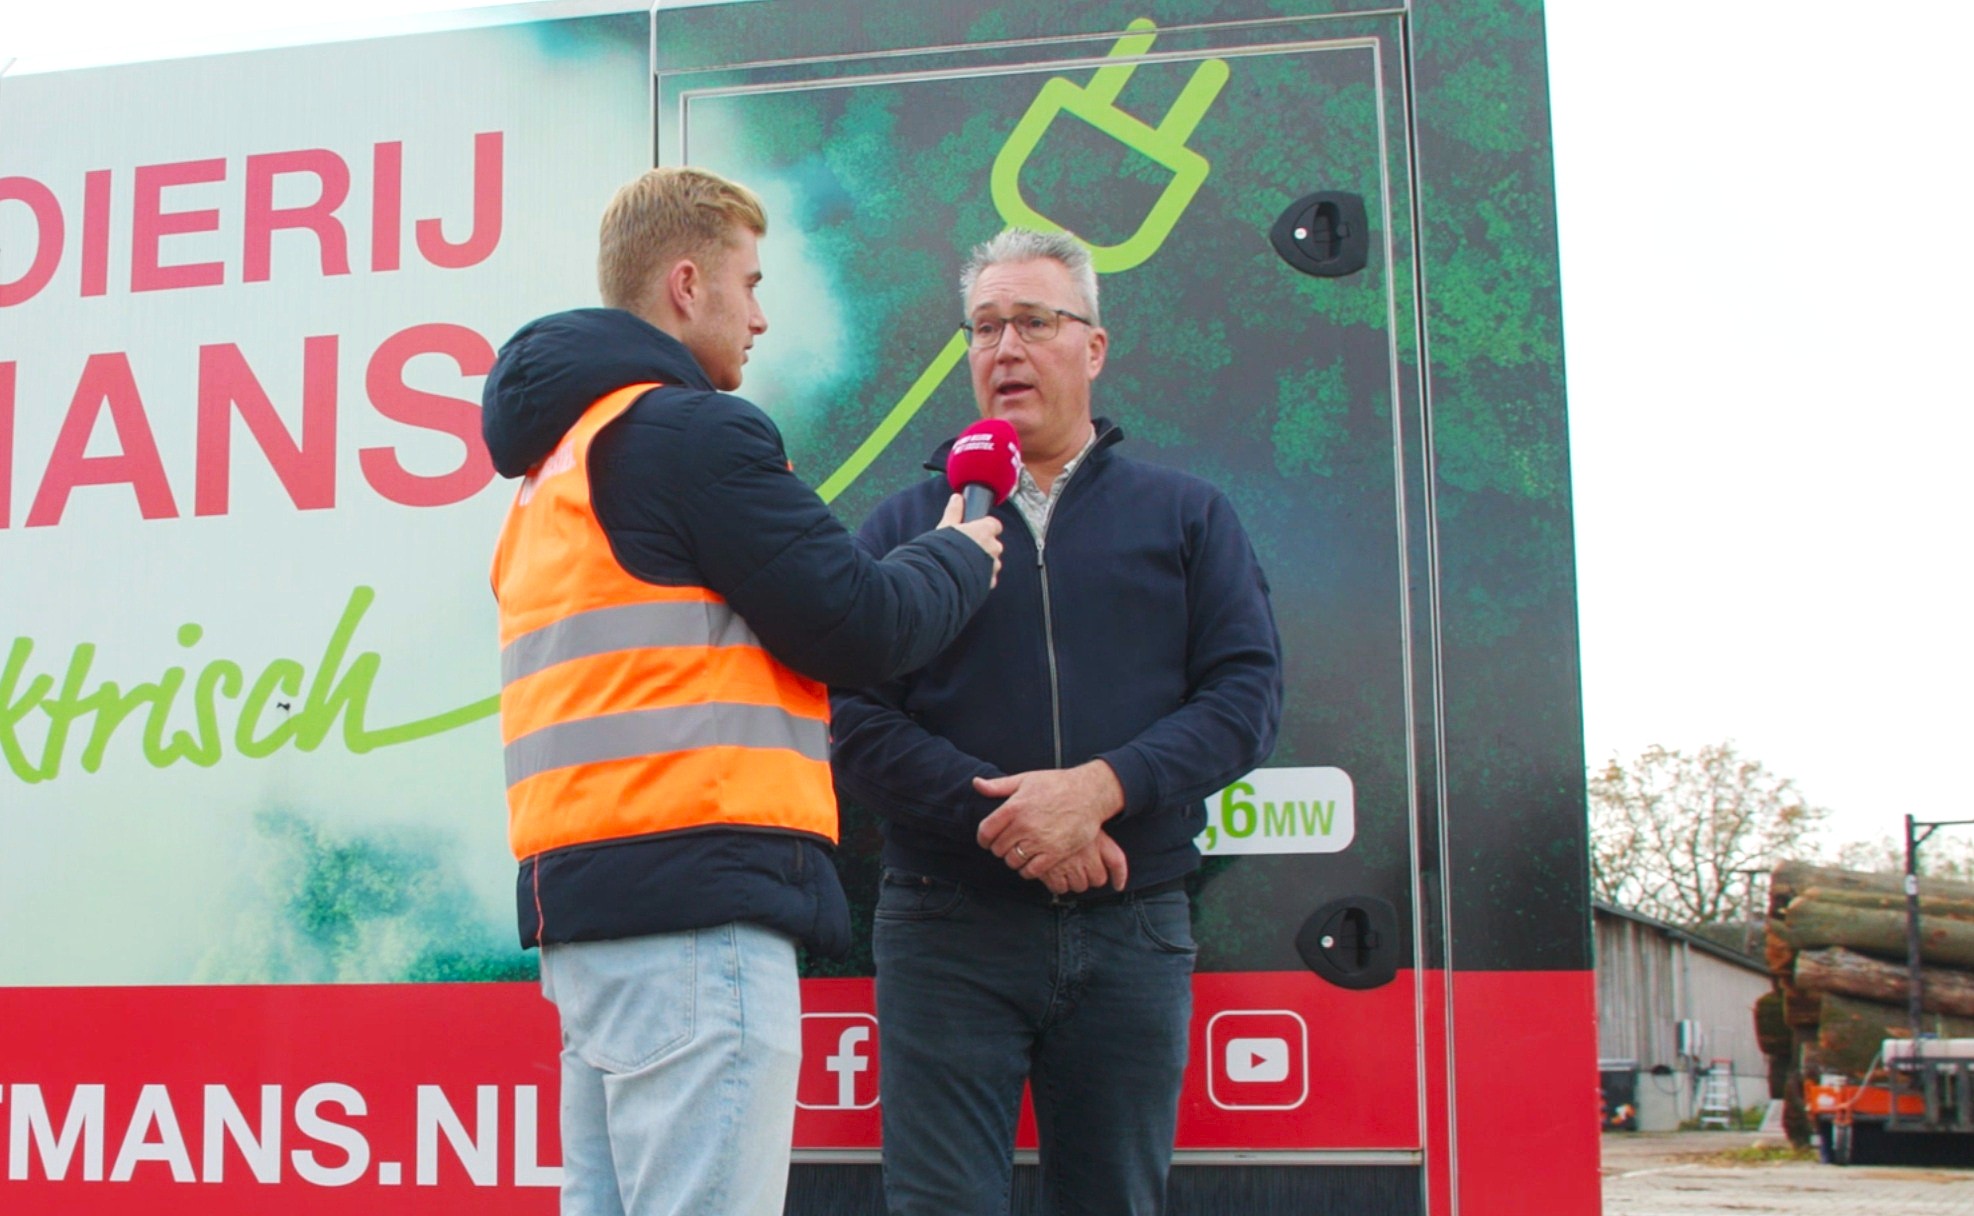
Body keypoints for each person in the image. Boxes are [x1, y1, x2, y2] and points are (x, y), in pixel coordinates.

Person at [482, 166, 1003, 1216]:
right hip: (699, 917)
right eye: (750, 283)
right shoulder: (689, 433)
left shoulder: (559, 465)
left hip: (593, 924)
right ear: (686, 284)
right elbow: (859, 624)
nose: (762, 317)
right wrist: (958, 555)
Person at [829, 228, 1285, 1215]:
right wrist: (1011, 818)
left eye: (1034, 321)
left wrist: (1100, 791)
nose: (1005, 348)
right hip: (946, 925)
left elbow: (1246, 697)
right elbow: (852, 718)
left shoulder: (1187, 517)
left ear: (1094, 346)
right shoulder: (905, 529)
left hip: (1134, 925)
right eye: (984, 327)